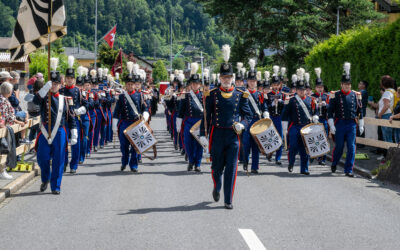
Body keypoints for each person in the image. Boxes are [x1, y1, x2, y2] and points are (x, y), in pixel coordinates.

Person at [199, 45, 252, 209]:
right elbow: (206, 115)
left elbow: (248, 115)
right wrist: (202, 134)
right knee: (216, 168)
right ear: (220, 78)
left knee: (232, 168)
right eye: (224, 77)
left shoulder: (241, 95)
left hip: (233, 136)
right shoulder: (212, 94)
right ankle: (217, 186)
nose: (226, 80)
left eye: (229, 77)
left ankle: (228, 199)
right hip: (216, 134)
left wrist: (242, 125)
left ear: (232, 78)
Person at [33, 57, 77, 194]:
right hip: (45, 129)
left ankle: (55, 186)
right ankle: (45, 178)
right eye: (51, 84)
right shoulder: (44, 97)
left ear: (60, 85)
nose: (54, 86)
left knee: (58, 159)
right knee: (42, 157)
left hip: (60, 131)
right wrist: (44, 88)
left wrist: (74, 131)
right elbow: (35, 101)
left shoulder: (65, 99)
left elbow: (70, 118)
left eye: (56, 84)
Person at [328, 62, 364, 177]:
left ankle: (348, 170)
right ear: (341, 84)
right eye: (345, 84)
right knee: (339, 146)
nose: (347, 86)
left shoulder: (356, 95)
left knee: (351, 146)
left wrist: (361, 124)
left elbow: (360, 111)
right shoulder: (335, 95)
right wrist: (331, 125)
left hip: (352, 124)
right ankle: (334, 162)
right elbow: (330, 111)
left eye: (349, 84)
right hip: (340, 123)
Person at [112, 62, 150, 172]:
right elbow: (116, 112)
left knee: (135, 146)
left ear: (134, 85)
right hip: (124, 123)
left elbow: (145, 108)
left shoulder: (140, 95)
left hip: (136, 123)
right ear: (126, 85)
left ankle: (134, 165)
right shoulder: (122, 96)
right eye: (128, 84)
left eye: (132, 84)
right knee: (124, 146)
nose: (130, 86)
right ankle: (124, 161)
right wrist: (114, 124)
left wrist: (145, 115)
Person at [282, 68, 319, 175]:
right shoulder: (291, 100)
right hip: (295, 126)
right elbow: (285, 114)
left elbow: (315, 111)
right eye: (300, 89)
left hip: (306, 127)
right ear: (296, 90)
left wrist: (316, 116)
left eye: (303, 89)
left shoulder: (311, 100)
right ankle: (291, 162)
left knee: (305, 148)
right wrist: (285, 128)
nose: (302, 91)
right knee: (293, 146)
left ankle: (304, 169)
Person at [60, 57, 88, 174]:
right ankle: (64, 162)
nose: (70, 80)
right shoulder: (60, 90)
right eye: (68, 78)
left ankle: (74, 165)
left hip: (75, 120)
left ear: (74, 79)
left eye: (71, 78)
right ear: (65, 79)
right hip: (63, 121)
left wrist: (79, 110)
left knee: (76, 144)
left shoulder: (78, 91)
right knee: (63, 144)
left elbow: (86, 105)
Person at [242, 59, 269, 173]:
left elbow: (264, 107)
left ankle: (255, 167)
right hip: (246, 122)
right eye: (250, 81)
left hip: (257, 122)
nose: (252, 83)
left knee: (256, 145)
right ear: (247, 82)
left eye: (254, 81)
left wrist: (266, 115)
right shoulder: (243, 94)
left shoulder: (260, 95)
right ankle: (245, 161)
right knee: (246, 144)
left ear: (256, 82)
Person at [177, 65, 204, 172]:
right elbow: (180, 111)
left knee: (199, 144)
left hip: (199, 122)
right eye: (193, 83)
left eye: (197, 83)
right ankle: (191, 161)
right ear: (190, 85)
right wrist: (178, 124)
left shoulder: (203, 96)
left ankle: (197, 164)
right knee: (188, 143)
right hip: (188, 122)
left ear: (199, 85)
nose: (195, 85)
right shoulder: (185, 95)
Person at [0, 82, 27, 180]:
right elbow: (6, 116)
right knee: (4, 149)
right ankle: (2, 171)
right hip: (4, 127)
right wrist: (18, 122)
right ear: (8, 91)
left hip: (4, 126)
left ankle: (3, 170)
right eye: (11, 90)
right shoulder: (3, 100)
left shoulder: (3, 99)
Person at [266, 66, 285, 165]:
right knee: (271, 137)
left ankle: (278, 158)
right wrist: (272, 103)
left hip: (280, 117)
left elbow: (286, 107)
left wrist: (281, 102)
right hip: (271, 117)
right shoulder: (268, 95)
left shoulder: (283, 94)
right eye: (274, 84)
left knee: (280, 138)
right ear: (272, 85)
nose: (276, 86)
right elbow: (265, 106)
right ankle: (270, 152)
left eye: (277, 84)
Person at [311, 68, 330, 165]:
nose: (320, 89)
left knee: (324, 139)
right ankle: (315, 155)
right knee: (315, 138)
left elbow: (331, 107)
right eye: (318, 87)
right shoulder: (312, 96)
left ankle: (323, 158)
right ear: (315, 87)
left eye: (321, 87)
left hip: (324, 119)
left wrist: (325, 105)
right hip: (315, 120)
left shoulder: (326, 96)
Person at [377, 76, 395, 143]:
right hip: (391, 115)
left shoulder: (387, 93)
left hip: (386, 116)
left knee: (387, 138)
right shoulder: (393, 91)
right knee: (390, 137)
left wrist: (380, 114)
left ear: (383, 83)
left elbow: (386, 105)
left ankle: (390, 153)